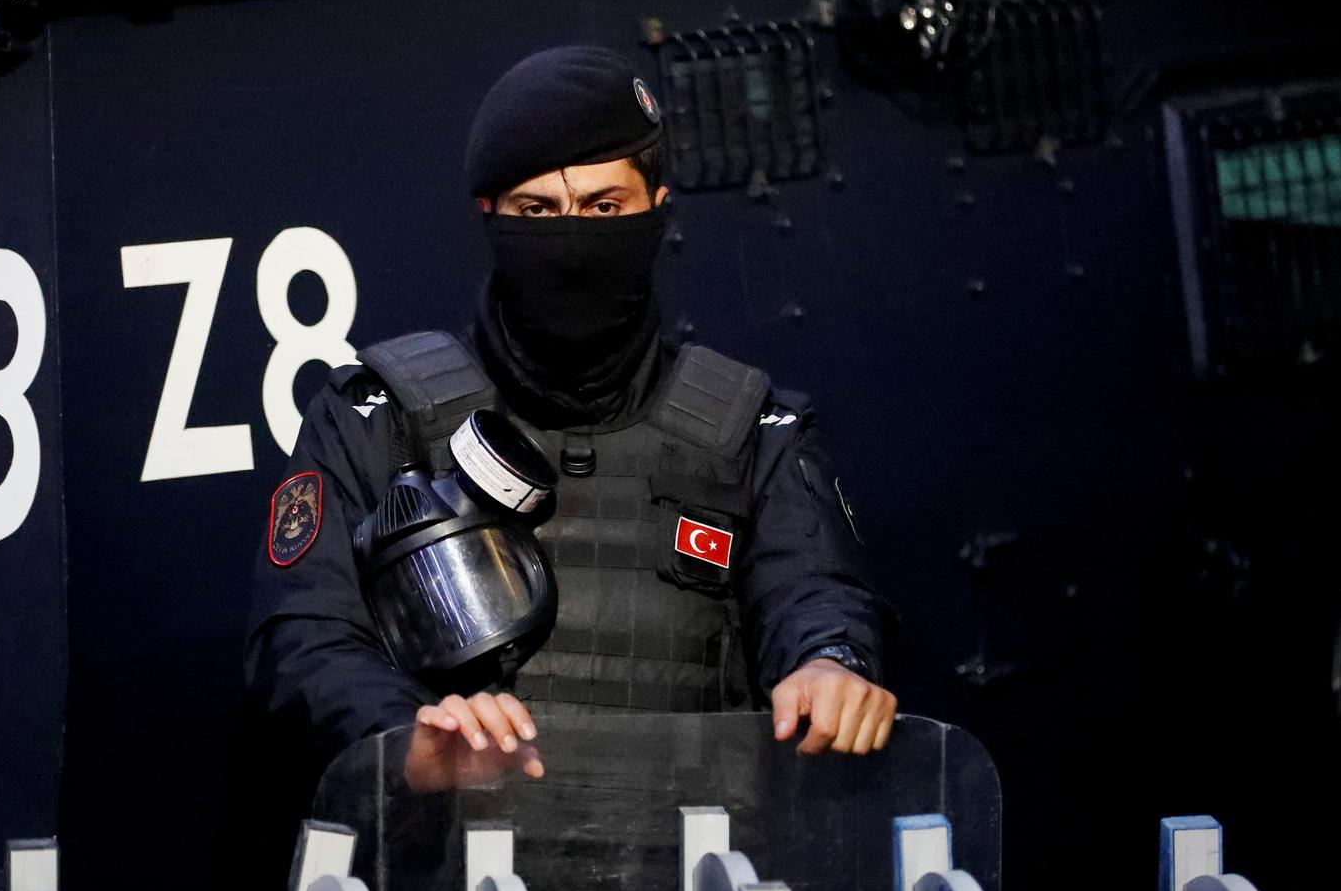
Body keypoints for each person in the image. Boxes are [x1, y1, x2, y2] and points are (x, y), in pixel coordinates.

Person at [245, 45, 898, 793]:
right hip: (459, 870)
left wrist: (830, 667)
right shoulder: (374, 417)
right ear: (489, 214)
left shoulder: (756, 430)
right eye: (537, 212)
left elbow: (815, 595)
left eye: (602, 207)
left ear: (655, 211)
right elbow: (303, 642)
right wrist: (405, 741)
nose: (573, 238)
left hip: (698, 872)